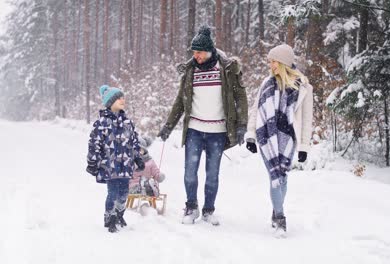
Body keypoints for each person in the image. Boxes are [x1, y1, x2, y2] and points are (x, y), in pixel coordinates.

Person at [157, 25, 248, 225]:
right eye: (194, 52)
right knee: (190, 172)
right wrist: (168, 126)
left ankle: (208, 210)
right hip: (194, 131)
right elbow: (180, 102)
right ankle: (191, 208)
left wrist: (242, 125)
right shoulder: (190, 71)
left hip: (217, 132)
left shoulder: (226, 70)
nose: (195, 56)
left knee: (212, 174)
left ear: (209, 51)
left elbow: (241, 98)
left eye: (199, 52)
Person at [244, 44, 313, 237]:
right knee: (275, 178)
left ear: (283, 63)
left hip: (289, 139)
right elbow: (256, 110)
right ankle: (281, 219)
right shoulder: (266, 83)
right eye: (270, 61)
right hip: (267, 136)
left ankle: (276, 210)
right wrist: (250, 135)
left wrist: (304, 147)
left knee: (282, 177)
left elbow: (307, 119)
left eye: (273, 61)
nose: (271, 65)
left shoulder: (304, 88)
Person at [86, 85, 145, 233]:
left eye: (123, 97)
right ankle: (110, 217)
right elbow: (94, 144)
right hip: (109, 166)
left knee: (124, 192)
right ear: (110, 101)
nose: (122, 100)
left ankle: (119, 214)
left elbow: (134, 142)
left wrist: (138, 158)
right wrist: (92, 162)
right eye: (119, 98)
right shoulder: (102, 123)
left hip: (126, 165)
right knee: (112, 193)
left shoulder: (128, 123)